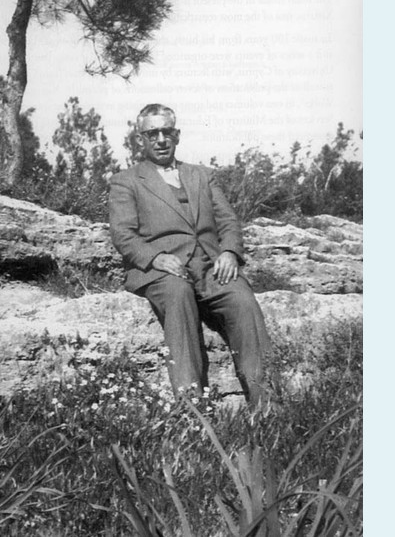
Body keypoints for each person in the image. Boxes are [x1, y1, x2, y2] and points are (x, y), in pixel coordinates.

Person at [108, 104, 272, 405]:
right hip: (162, 271)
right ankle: (191, 409)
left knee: (243, 301)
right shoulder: (126, 181)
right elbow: (123, 233)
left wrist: (229, 252)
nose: (161, 140)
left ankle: (266, 406)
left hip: (210, 268)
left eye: (166, 132)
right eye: (152, 133)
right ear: (140, 139)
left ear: (177, 135)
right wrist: (155, 258)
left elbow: (228, 221)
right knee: (178, 295)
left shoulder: (202, 175)